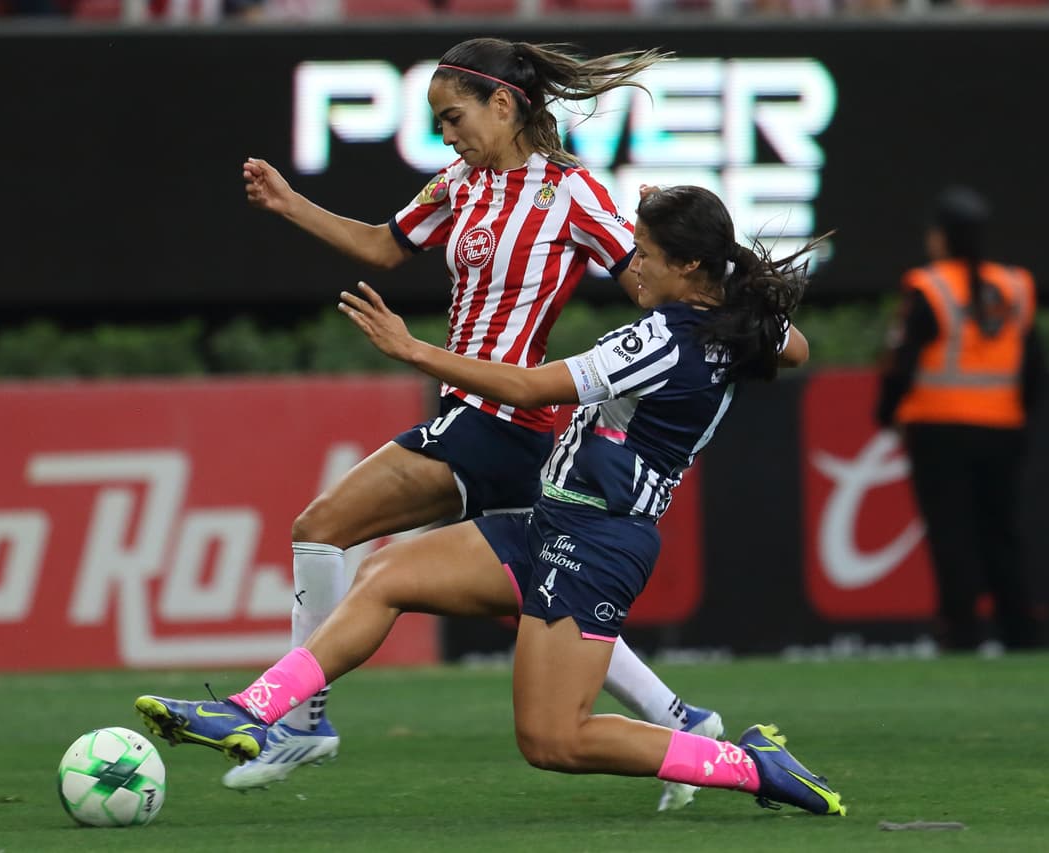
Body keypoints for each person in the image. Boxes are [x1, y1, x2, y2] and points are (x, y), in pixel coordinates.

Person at [136, 184, 846, 818]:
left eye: (647, 252)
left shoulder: (664, 337)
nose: (634, 262)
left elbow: (532, 388)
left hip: (596, 540)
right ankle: (252, 711)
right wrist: (727, 284)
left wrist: (413, 350)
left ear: (688, 267)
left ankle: (751, 766)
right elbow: (797, 350)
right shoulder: (736, 323)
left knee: (554, 739)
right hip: (557, 520)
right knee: (387, 576)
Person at [236, 37, 719, 809]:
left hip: (506, 415)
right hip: (486, 418)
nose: (446, 134)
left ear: (504, 104)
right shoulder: (457, 185)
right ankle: (682, 718)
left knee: (322, 525)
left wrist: (734, 312)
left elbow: (652, 280)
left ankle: (300, 715)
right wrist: (289, 202)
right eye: (437, 121)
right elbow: (382, 247)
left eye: (452, 116)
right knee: (533, 591)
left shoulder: (573, 193)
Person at [876, 186, 1045, 652]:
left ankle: (961, 630)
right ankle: (1020, 630)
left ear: (941, 237)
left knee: (952, 533)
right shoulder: (1016, 285)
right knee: (1002, 532)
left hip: (939, 428)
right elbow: (1034, 364)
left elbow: (902, 362)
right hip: (1003, 428)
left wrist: (886, 413)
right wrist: (1019, 415)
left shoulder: (930, 287)